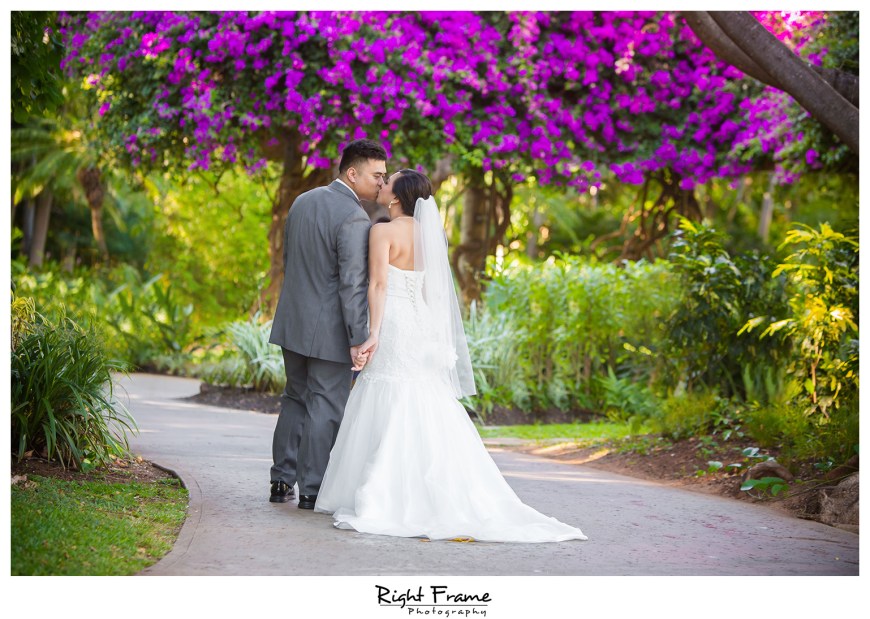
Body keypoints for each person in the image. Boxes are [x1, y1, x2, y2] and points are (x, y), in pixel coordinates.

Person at [314, 170, 587, 542]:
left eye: (388, 181)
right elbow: (433, 290)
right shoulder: (430, 235)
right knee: (422, 394)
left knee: (388, 390)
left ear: (397, 198)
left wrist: (372, 332)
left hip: (392, 321)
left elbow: (378, 284)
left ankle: (387, 490)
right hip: (421, 323)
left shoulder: (382, 231)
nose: (382, 184)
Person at [268, 139, 387, 509]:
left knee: (294, 399)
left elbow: (290, 261)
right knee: (326, 405)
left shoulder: (303, 201)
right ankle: (313, 487)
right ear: (352, 173)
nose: (382, 185)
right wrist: (358, 337)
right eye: (377, 176)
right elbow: (352, 283)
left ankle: (280, 480)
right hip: (330, 329)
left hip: (293, 320)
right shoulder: (353, 217)